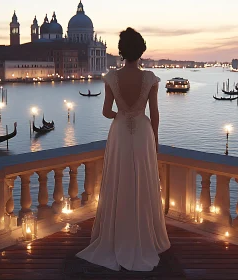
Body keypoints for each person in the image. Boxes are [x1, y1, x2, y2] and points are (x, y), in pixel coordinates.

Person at [76, 27, 170, 271]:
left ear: (121, 52)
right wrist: (155, 139)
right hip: (143, 133)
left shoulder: (111, 78)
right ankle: (145, 236)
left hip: (119, 133)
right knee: (142, 181)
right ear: (141, 51)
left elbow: (106, 112)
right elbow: (155, 114)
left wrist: (122, 115)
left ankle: (116, 236)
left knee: (119, 181)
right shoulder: (150, 78)